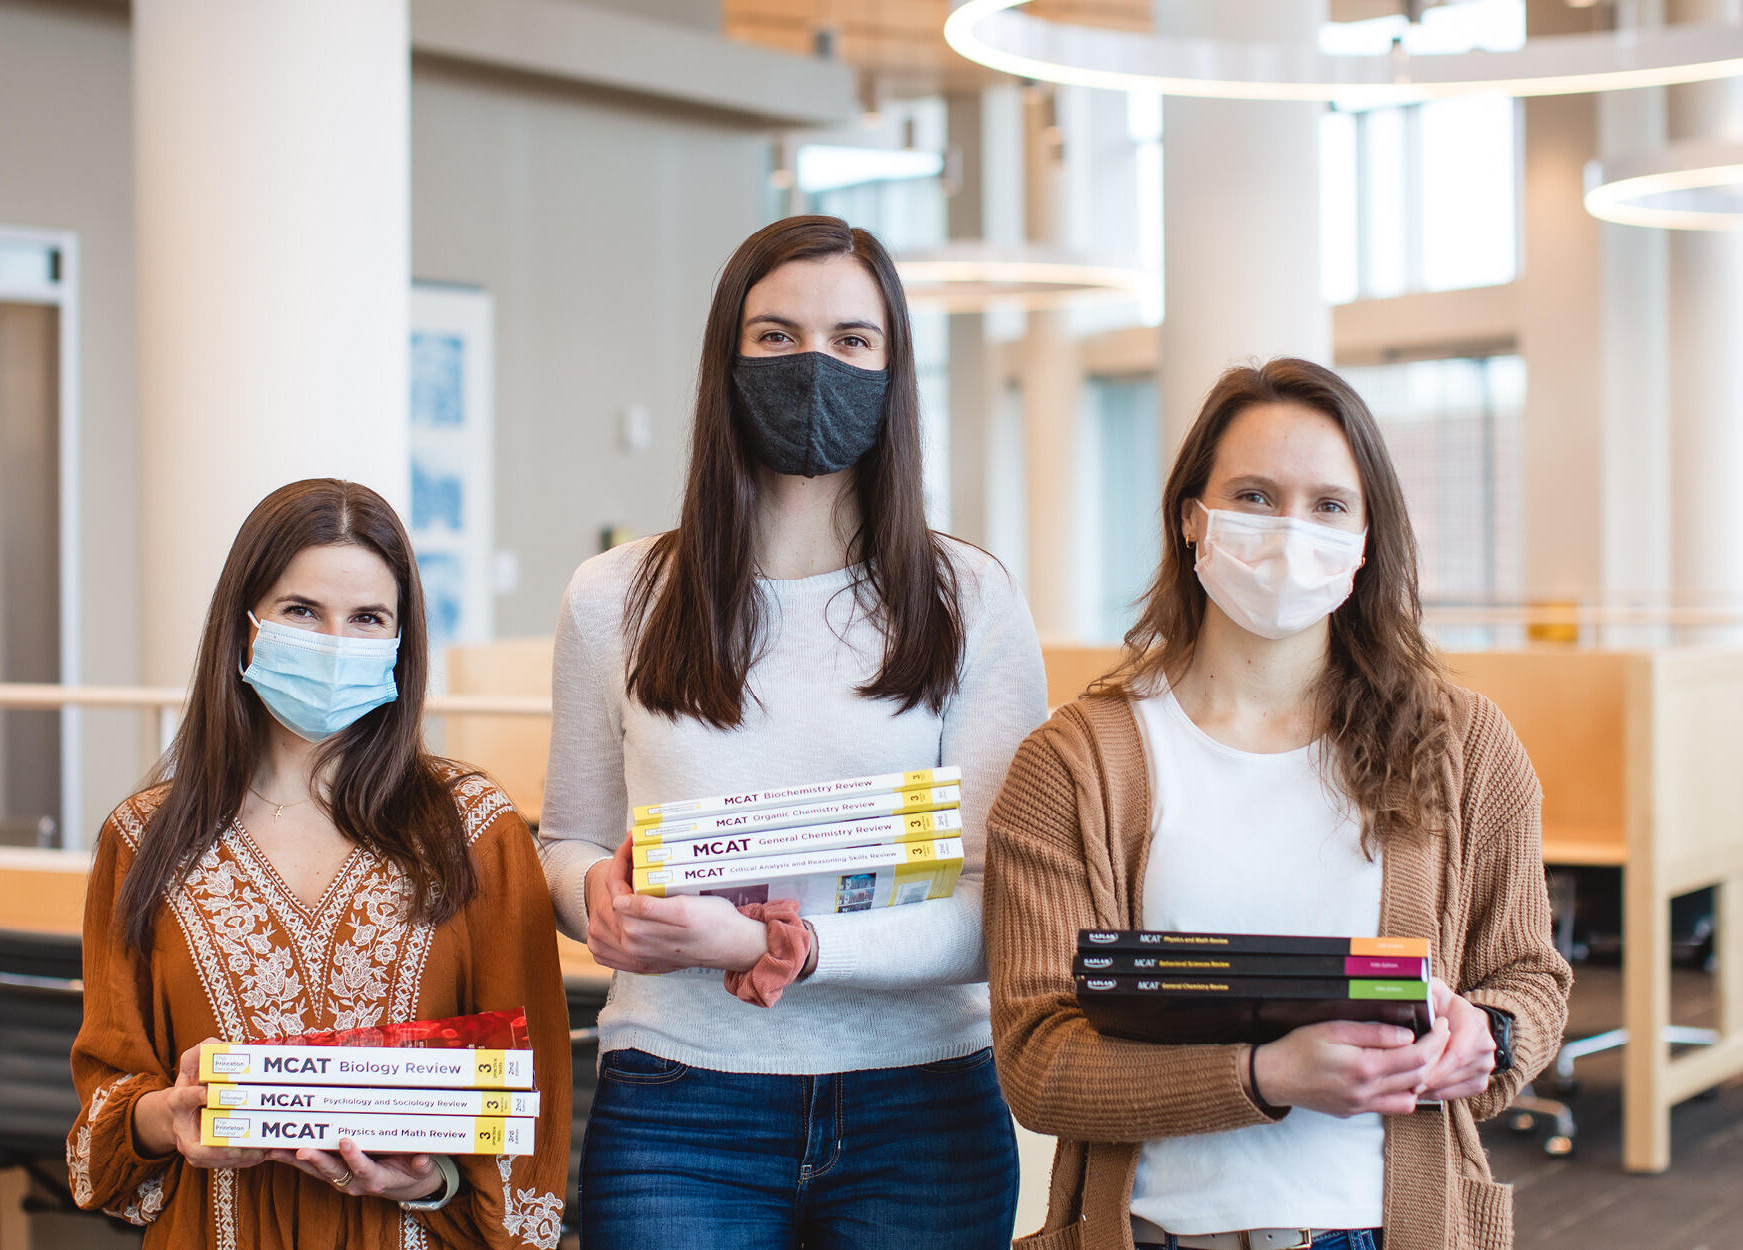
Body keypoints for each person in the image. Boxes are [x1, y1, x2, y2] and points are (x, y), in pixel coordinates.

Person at [537, 215, 1048, 1249]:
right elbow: (570, 838)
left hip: (921, 1105)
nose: (813, 363)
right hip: (682, 1097)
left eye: (853, 340)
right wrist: (596, 896)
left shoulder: (970, 599)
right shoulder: (614, 598)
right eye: (775, 336)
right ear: (726, 360)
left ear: (894, 369)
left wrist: (783, 945)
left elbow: (1003, 902)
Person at [985, 359, 1570, 1250]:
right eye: (1253, 496)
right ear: (1192, 519)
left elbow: (1528, 977)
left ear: (1367, 537)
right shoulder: (1074, 764)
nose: (1290, 533)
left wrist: (1485, 1036)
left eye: (1328, 505)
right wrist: (1264, 1074)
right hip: (1155, 1234)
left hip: (1388, 1231)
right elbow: (1038, 1062)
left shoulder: (1462, 746)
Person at [68, 479, 570, 1249]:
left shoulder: (472, 829)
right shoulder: (144, 838)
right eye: (301, 611)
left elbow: (527, 1094)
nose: (336, 642)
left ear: (402, 644)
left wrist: (432, 1178)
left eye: (368, 618)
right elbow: (107, 1090)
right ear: (244, 629)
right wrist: (165, 1117)